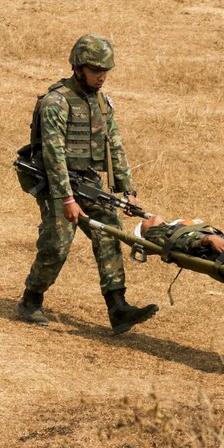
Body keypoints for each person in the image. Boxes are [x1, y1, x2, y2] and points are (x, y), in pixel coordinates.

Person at [17, 34, 158, 334]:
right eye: (96, 71)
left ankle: (118, 307)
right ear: (78, 68)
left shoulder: (103, 103)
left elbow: (114, 145)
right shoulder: (56, 102)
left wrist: (128, 191)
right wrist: (67, 199)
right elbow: (53, 155)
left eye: (105, 71)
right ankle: (31, 300)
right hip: (58, 183)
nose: (101, 77)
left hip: (88, 181)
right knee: (57, 244)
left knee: (108, 231)